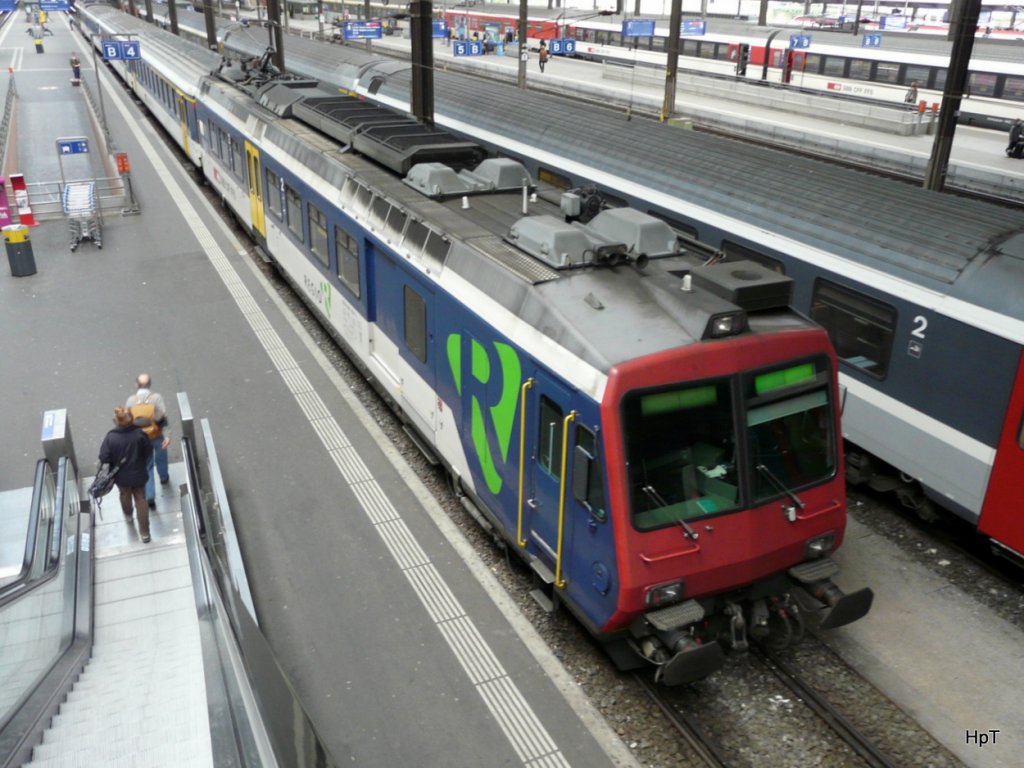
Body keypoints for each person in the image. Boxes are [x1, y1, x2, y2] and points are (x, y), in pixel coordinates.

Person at [99, 407, 153, 542]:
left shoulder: (111, 437)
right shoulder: (140, 434)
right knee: (141, 499)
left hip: (121, 476)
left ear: (117, 421)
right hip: (139, 473)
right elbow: (148, 452)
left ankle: (128, 515)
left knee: (124, 494)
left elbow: (104, 457)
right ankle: (145, 533)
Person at [126, 373, 171, 509]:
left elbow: (128, 422)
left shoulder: (131, 401)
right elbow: (162, 417)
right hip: (156, 435)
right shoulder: (156, 398)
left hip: (141, 439)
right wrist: (167, 435)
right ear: (150, 384)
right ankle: (163, 477)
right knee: (161, 457)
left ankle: (150, 495)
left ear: (136, 385)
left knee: (147, 465)